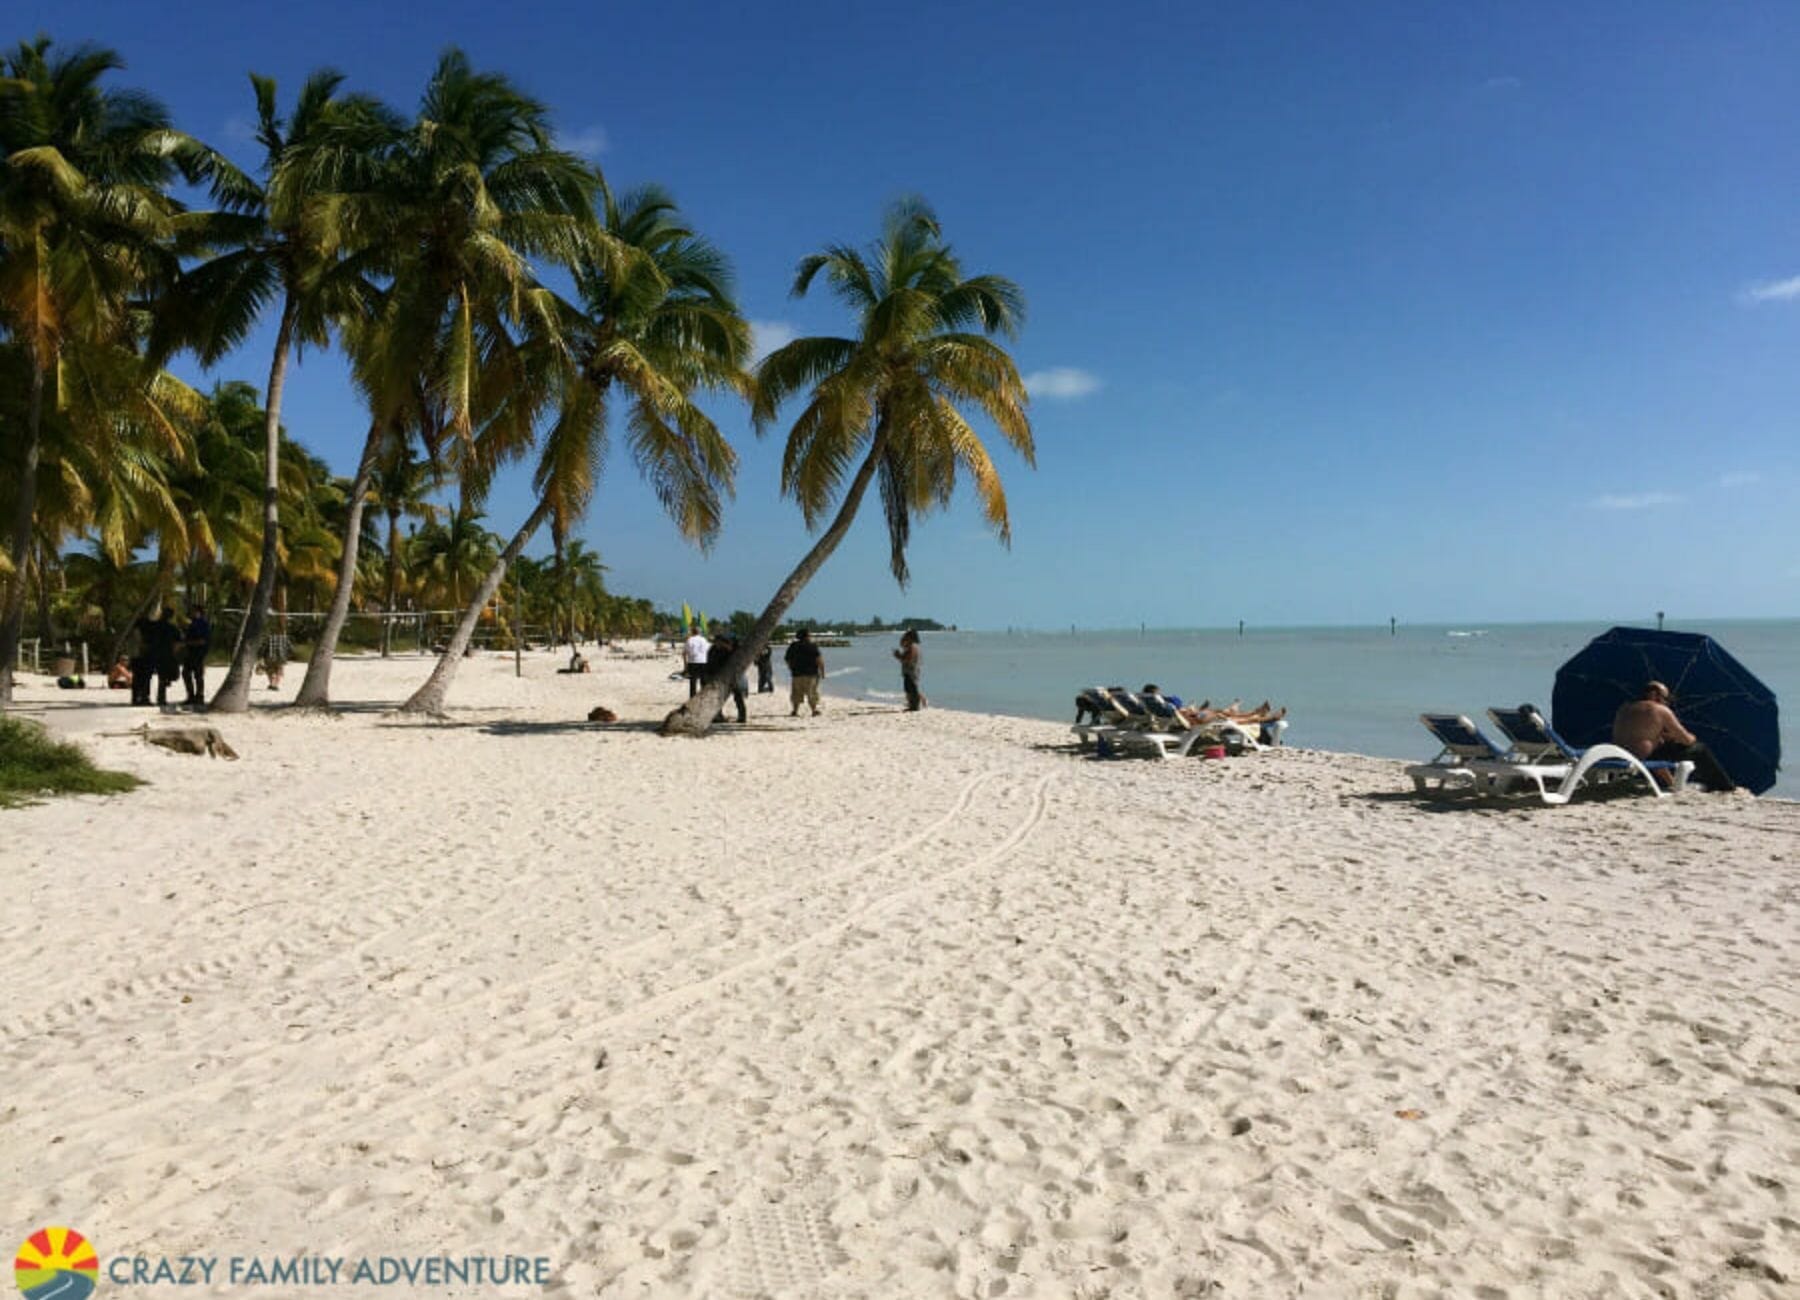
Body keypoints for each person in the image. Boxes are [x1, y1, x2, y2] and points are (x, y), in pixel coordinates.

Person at [1612, 680, 1737, 793]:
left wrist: (1660, 736)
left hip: (1618, 755)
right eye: (1666, 698)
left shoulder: (1624, 708)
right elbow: (1686, 740)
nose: (1667, 702)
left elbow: (1638, 735)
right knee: (1699, 749)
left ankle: (1670, 782)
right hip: (1642, 756)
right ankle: (1723, 786)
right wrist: (1690, 737)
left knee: (1660, 747)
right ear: (1654, 695)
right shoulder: (1659, 710)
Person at [143, 606, 184, 707]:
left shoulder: (153, 626)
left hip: (153, 653)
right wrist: (174, 654)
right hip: (166, 654)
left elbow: (146, 640)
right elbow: (178, 643)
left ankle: (145, 697)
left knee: (148, 676)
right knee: (164, 677)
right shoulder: (173, 628)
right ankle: (161, 698)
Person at [706, 631, 747, 724]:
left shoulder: (730, 650)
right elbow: (710, 663)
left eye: (718, 642)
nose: (717, 643)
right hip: (718, 677)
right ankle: (718, 716)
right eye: (716, 642)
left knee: (738, 696)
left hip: (731, 676)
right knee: (718, 697)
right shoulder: (713, 650)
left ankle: (742, 716)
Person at [784, 629, 824, 717]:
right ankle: (814, 711)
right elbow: (819, 660)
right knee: (811, 693)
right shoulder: (812, 646)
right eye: (809, 635)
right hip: (811, 674)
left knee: (796, 693)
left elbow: (787, 659)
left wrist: (791, 668)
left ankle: (795, 711)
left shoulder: (793, 646)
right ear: (806, 636)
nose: (810, 637)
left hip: (796, 674)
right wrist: (822, 672)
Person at [181, 604, 212, 706]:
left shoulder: (202, 624)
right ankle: (193, 696)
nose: (191, 613)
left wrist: (188, 643)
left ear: (198, 612)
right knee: (188, 674)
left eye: (193, 611)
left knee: (196, 675)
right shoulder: (194, 623)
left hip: (198, 653)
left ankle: (198, 696)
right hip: (192, 653)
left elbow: (202, 641)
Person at [894, 629, 925, 711]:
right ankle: (914, 704)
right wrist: (900, 656)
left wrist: (898, 656)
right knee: (909, 688)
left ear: (910, 638)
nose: (905, 638)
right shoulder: (910, 646)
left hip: (911, 671)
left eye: (906, 636)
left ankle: (915, 705)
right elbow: (901, 644)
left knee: (911, 689)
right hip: (910, 671)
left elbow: (908, 659)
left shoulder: (912, 647)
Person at [260, 624, 292, 691]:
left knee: (270, 671)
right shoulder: (285, 638)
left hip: (270, 658)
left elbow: (264, 648)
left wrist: (261, 656)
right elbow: (290, 648)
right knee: (278, 672)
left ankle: (272, 684)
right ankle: (276, 685)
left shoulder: (269, 638)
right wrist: (287, 655)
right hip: (281, 658)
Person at [682, 627, 711, 698]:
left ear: (692, 632)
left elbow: (684, 653)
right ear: (700, 632)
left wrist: (685, 665)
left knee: (693, 681)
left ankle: (692, 697)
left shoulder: (689, 640)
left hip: (693, 662)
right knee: (703, 681)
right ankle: (704, 696)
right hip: (703, 662)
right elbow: (709, 651)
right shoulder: (704, 640)